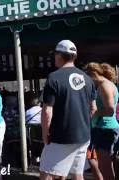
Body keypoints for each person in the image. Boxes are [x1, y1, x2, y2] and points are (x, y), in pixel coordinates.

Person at [40, 40, 96, 180]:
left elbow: (47, 111)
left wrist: (45, 133)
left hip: (61, 136)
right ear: (74, 56)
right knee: (77, 174)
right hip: (83, 135)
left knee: (46, 173)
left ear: (59, 55)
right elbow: (93, 108)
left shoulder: (54, 78)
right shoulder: (87, 79)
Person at [85, 62, 119, 180]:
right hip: (102, 129)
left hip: (106, 129)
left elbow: (109, 110)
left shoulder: (104, 85)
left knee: (106, 167)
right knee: (99, 162)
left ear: (93, 74)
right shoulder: (104, 85)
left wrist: (92, 112)